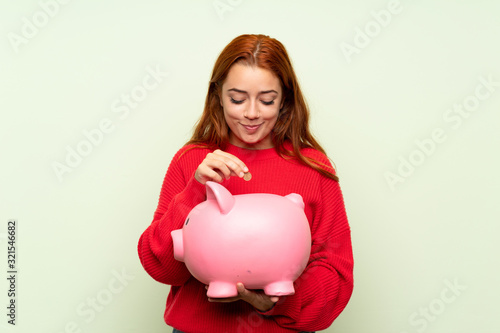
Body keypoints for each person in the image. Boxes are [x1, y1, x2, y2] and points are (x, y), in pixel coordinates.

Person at [137, 34, 353, 333]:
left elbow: (336, 277)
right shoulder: (193, 161)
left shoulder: (312, 168)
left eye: (267, 100)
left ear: (284, 101)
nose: (251, 113)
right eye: (237, 99)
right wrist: (196, 188)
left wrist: (275, 302)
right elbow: (160, 266)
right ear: (218, 96)